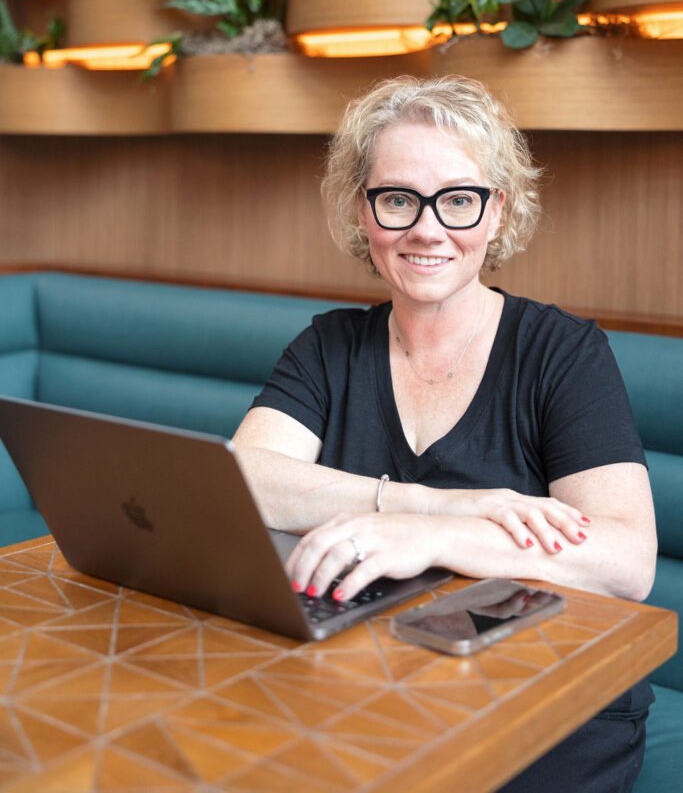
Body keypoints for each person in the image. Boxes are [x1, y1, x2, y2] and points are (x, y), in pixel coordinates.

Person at [232, 75, 657, 792]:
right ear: (361, 213)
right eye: (396, 199)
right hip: (371, 689)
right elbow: (244, 476)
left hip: (544, 705)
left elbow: (625, 558)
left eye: (458, 199)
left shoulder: (562, 352)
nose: (426, 229)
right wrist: (430, 505)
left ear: (498, 212)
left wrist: (432, 543)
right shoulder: (329, 345)